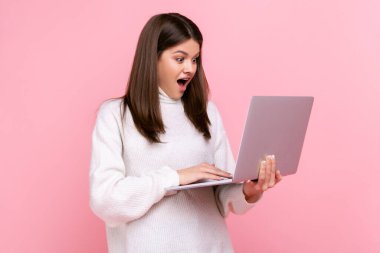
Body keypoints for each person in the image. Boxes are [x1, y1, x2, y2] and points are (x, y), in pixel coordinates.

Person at [89, 13, 282, 253]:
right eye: (179, 59)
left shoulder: (207, 112)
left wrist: (250, 190)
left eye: (195, 59)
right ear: (153, 59)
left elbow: (221, 192)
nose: (190, 69)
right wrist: (175, 178)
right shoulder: (115, 115)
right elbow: (106, 199)